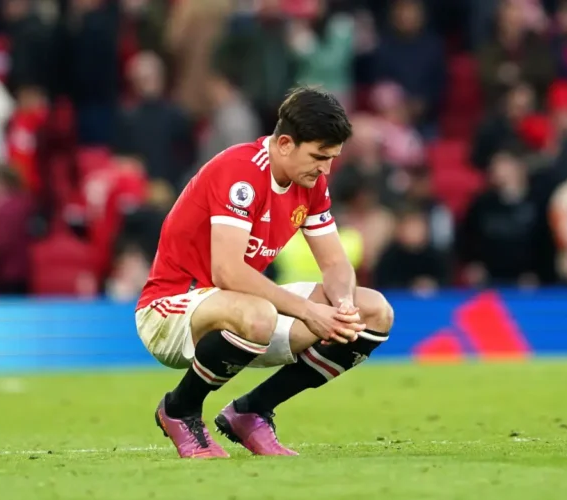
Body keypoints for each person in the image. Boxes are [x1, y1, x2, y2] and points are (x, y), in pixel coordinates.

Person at [135, 87, 394, 459]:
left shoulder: (311, 182)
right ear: (285, 143)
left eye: (332, 158)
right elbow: (227, 271)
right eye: (319, 156)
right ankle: (179, 409)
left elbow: (336, 263)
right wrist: (309, 312)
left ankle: (250, 411)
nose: (325, 169)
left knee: (374, 311)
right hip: (170, 309)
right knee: (259, 314)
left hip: (242, 313)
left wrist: (340, 307)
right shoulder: (240, 172)